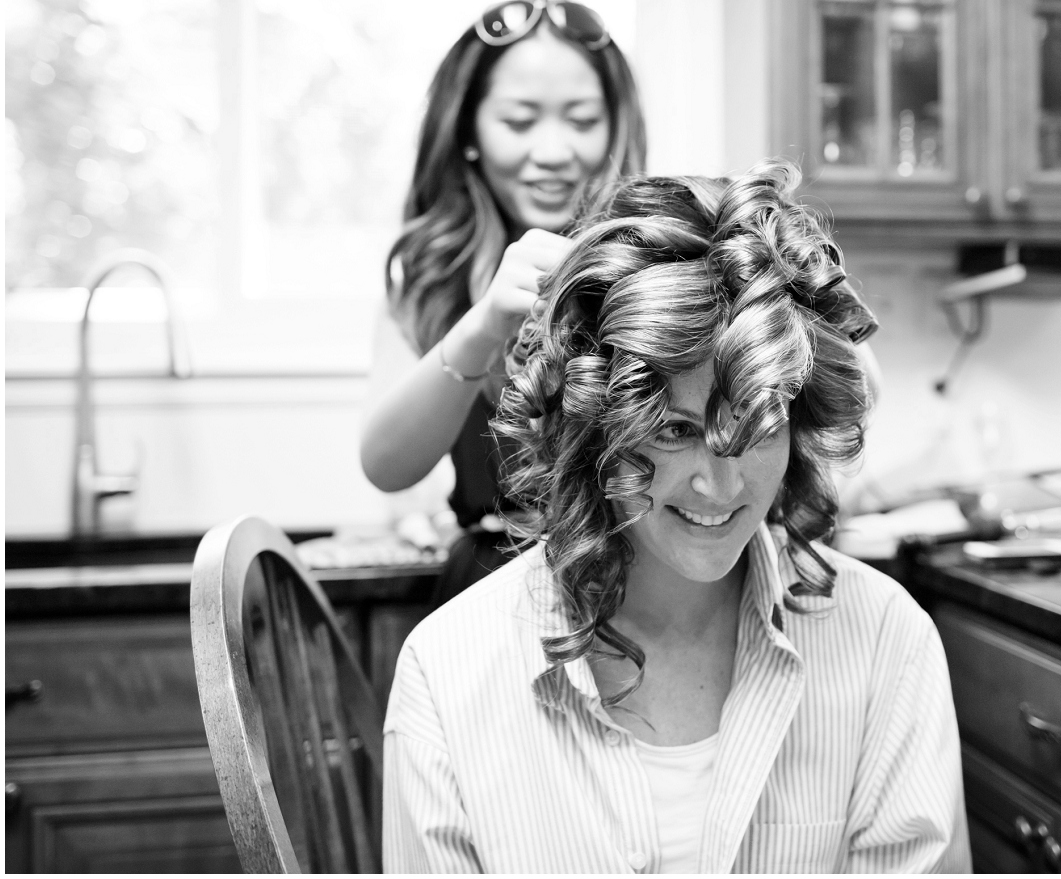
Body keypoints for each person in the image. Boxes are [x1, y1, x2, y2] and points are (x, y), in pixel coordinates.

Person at [382, 160, 970, 873]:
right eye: (673, 430)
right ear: (595, 426)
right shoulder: (448, 673)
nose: (720, 486)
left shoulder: (884, 644)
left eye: (755, 427)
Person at [360, 0, 646, 605]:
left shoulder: (651, 252)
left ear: (616, 125)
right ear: (467, 132)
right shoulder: (430, 275)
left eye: (583, 120)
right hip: (491, 594)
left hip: (642, 582)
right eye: (519, 122)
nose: (553, 151)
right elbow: (386, 465)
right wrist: (484, 324)